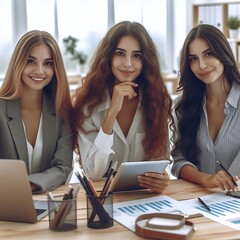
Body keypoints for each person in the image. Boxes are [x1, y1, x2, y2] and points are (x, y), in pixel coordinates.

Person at [72, 21, 174, 194]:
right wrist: (111, 113)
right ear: (108, 57)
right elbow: (93, 172)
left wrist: (162, 179)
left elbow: (159, 162)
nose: (128, 63)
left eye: (137, 56)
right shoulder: (87, 105)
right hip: (102, 202)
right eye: (120, 53)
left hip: (142, 199)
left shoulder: (158, 102)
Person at [0, 30, 74, 193]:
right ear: (18, 63)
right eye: (31, 61)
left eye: (48, 63)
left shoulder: (62, 112)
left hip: (46, 203)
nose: (39, 71)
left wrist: (30, 184)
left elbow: (63, 167)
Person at [171, 24, 239, 191]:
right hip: (199, 200)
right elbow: (179, 161)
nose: (201, 65)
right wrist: (206, 179)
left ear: (223, 53)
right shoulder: (183, 106)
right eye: (193, 58)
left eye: (208, 54)